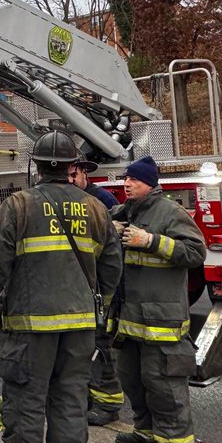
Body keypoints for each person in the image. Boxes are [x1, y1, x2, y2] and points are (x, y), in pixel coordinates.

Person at [0, 131, 122, 443]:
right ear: (73, 166)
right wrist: (100, 301)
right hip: (80, 324)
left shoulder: (19, 205)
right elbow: (113, 265)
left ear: (36, 166)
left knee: (26, 392)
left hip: (31, 323)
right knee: (72, 391)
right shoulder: (95, 208)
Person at [112, 155, 207, 443]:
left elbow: (195, 253)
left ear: (150, 183)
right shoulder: (127, 211)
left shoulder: (170, 212)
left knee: (163, 382)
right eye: (125, 178)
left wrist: (150, 241)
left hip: (161, 320)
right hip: (132, 319)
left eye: (134, 180)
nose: (126, 184)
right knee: (133, 379)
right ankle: (146, 430)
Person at [70, 158, 125, 425]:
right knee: (83, 352)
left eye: (74, 174)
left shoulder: (99, 198)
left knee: (99, 348)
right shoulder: (66, 201)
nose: (70, 179)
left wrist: (105, 297)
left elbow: (112, 255)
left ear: (84, 175)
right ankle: (90, 401)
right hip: (78, 292)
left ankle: (108, 405)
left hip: (98, 293)